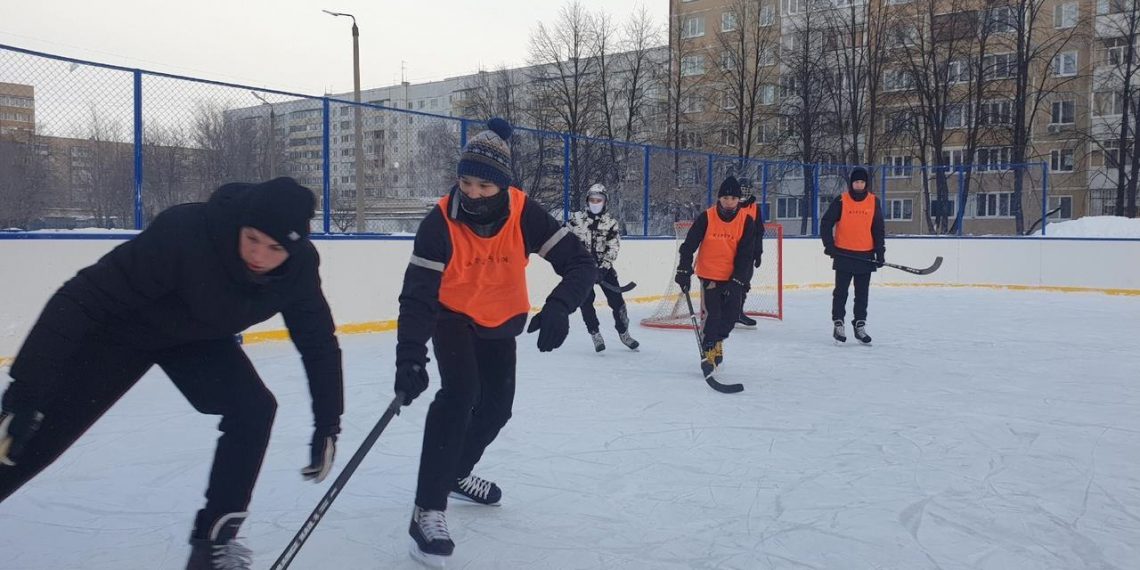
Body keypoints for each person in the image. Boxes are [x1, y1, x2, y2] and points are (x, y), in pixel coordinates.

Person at [0, 177, 344, 570]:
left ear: (295, 248)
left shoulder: (298, 270)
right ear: (241, 224)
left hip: (195, 338)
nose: (259, 255)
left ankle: (213, 545)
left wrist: (328, 422)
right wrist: (26, 390)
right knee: (30, 431)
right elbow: (79, 299)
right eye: (252, 238)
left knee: (254, 408)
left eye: (275, 248)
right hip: (119, 332)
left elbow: (318, 342)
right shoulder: (185, 234)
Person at [392, 118, 595, 567]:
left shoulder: (524, 213)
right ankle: (427, 509)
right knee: (459, 394)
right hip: (452, 316)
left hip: (502, 317)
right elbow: (418, 296)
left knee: (497, 407)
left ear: (503, 185)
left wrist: (561, 305)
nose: (474, 192)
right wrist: (410, 356)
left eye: (485, 185)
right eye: (466, 182)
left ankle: (456, 472)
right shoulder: (439, 221)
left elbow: (581, 262)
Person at [674, 176, 758, 373]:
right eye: (726, 198)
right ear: (719, 198)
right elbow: (689, 245)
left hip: (733, 277)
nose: (729, 202)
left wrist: (738, 280)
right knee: (713, 315)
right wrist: (684, 268)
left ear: (739, 200)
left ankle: (718, 340)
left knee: (730, 316)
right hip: (710, 275)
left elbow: (746, 254)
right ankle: (709, 348)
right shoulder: (707, 217)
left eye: (733, 198)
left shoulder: (746, 221)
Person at [566, 183, 640, 352]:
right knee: (585, 302)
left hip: (603, 269)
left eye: (598, 200)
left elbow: (613, 247)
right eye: (592, 199)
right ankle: (595, 333)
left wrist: (604, 269)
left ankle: (624, 332)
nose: (595, 202)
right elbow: (563, 241)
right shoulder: (575, 220)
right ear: (587, 201)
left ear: (605, 202)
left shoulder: (611, 223)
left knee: (618, 303)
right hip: (582, 270)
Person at [820, 167, 885, 344]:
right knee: (841, 293)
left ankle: (859, 325)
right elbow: (826, 222)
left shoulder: (873, 202)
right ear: (851, 183)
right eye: (856, 182)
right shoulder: (842, 200)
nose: (859, 185)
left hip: (865, 255)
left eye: (862, 182)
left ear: (866, 184)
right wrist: (829, 245)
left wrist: (880, 252)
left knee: (862, 294)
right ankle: (838, 323)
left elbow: (878, 229)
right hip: (844, 254)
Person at [735, 178, 765, 329]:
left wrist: (758, 252)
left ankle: (738, 312)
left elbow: (759, 232)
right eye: (742, 188)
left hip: (748, 253)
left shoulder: (755, 208)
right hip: (731, 251)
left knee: (744, 282)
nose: (744, 192)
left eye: (747, 188)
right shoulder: (731, 205)